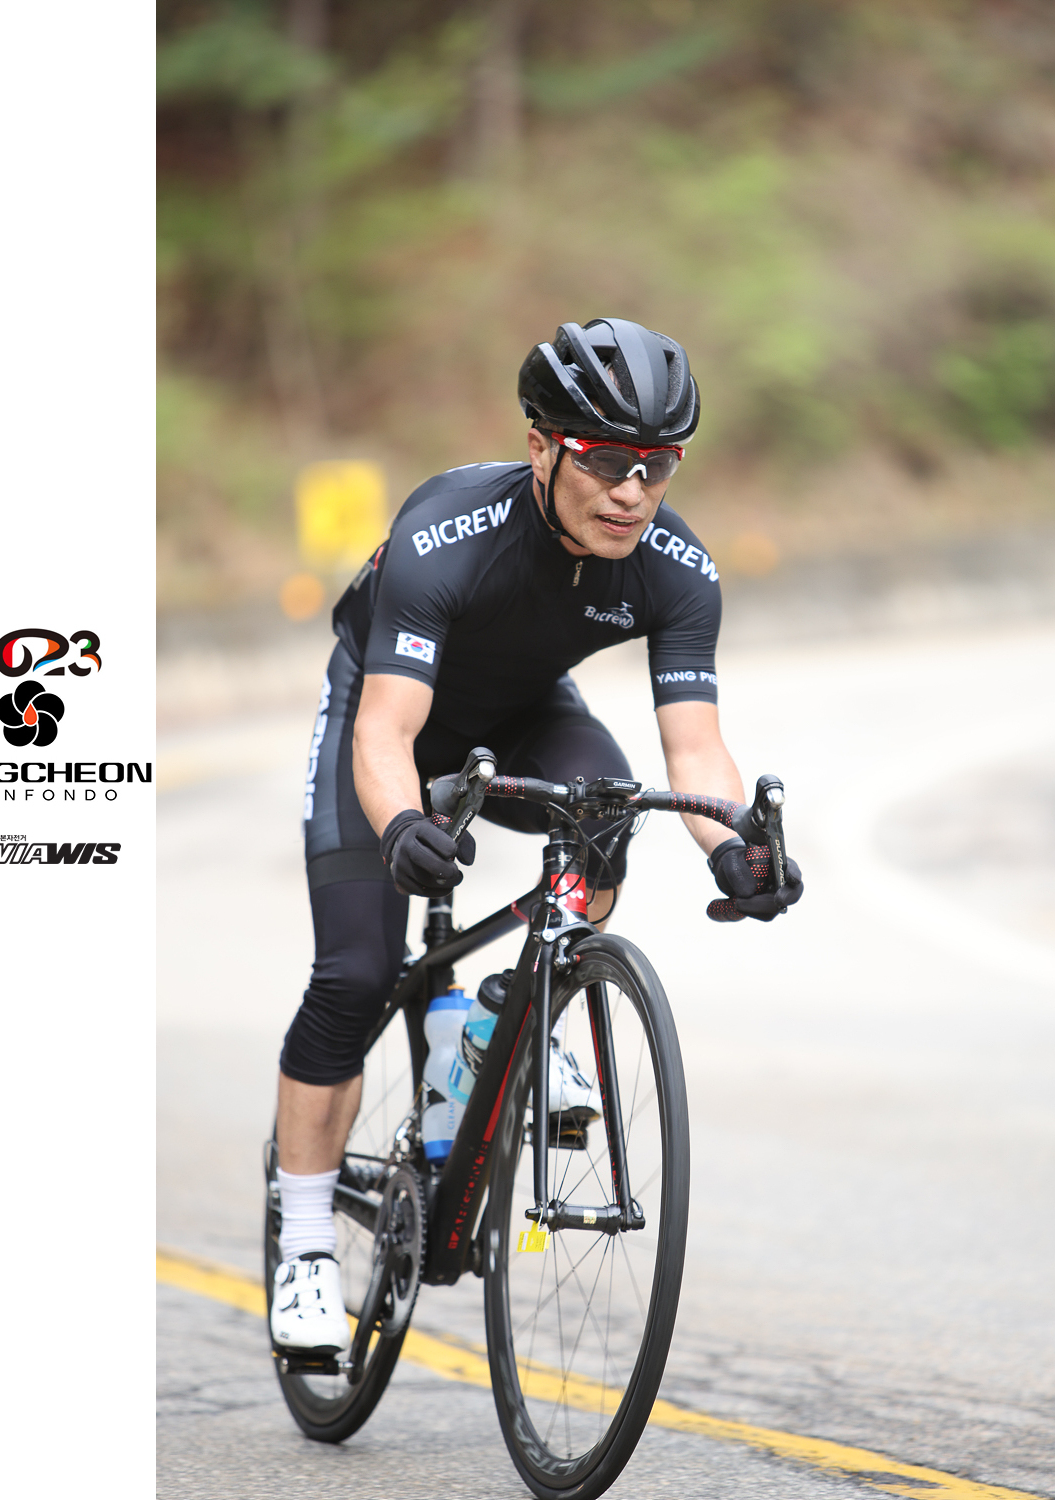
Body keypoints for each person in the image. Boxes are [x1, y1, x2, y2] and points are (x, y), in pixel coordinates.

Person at [269, 317, 805, 1354]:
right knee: (356, 972)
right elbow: (386, 735)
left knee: (609, 805)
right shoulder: (447, 532)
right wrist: (401, 825)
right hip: (384, 717)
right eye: (604, 461)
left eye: (657, 466)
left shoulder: (678, 568)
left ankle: (508, 1018)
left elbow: (696, 753)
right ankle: (306, 1246)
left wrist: (736, 848)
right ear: (542, 447)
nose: (632, 492)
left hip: (520, 716)